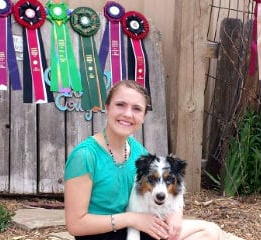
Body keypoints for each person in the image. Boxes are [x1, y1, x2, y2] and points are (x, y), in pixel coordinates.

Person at [64, 80, 224, 240]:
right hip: (100, 235)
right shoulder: (85, 156)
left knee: (210, 232)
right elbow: (75, 225)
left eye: (137, 109)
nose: (127, 114)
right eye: (120, 105)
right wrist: (132, 218)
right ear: (106, 108)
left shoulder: (138, 151)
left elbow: (166, 185)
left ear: (143, 116)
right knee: (208, 232)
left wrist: (176, 213)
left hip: (133, 231)